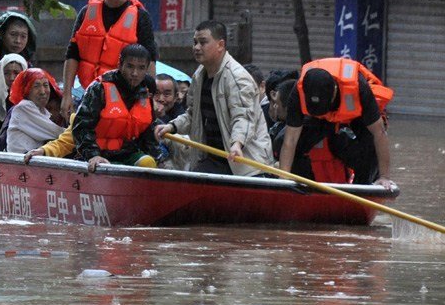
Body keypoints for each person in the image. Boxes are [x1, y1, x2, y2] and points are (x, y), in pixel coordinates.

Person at [155, 20, 273, 176]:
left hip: (246, 162)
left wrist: (237, 144)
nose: (196, 47)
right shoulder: (199, 76)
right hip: (213, 158)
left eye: (203, 42)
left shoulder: (237, 78)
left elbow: (244, 117)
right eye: (195, 42)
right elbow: (193, 114)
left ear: (220, 45)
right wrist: (172, 126)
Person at [279, 57, 395, 189]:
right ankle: (304, 185)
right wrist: (283, 179)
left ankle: (362, 185)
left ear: (334, 90)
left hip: (355, 116)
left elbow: (379, 133)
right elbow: (290, 140)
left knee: (370, 147)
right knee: (281, 141)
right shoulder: (299, 91)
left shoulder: (359, 87)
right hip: (319, 119)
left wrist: (385, 176)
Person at [60, 0, 156, 120]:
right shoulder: (87, 12)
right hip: (88, 93)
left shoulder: (141, 16)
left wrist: (148, 99)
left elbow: (150, 59)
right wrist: (67, 94)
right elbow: (72, 54)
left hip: (124, 96)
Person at [73, 44, 161, 172]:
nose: (135, 73)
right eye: (130, 66)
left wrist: (158, 159)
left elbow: (149, 136)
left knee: (149, 162)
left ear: (147, 69)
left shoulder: (146, 93)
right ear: (120, 64)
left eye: (141, 68)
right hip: (99, 155)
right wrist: (93, 155)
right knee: (108, 168)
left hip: (128, 154)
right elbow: (81, 126)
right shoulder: (99, 88)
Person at [269, 78, 349, 182]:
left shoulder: (334, 131)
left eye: (277, 103)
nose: (275, 107)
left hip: (335, 189)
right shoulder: (282, 134)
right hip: (312, 188)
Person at [5, 69, 65, 153]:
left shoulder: (43, 111)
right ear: (26, 90)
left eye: (46, 85)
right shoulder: (24, 107)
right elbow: (56, 133)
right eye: (36, 86)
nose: (43, 92)